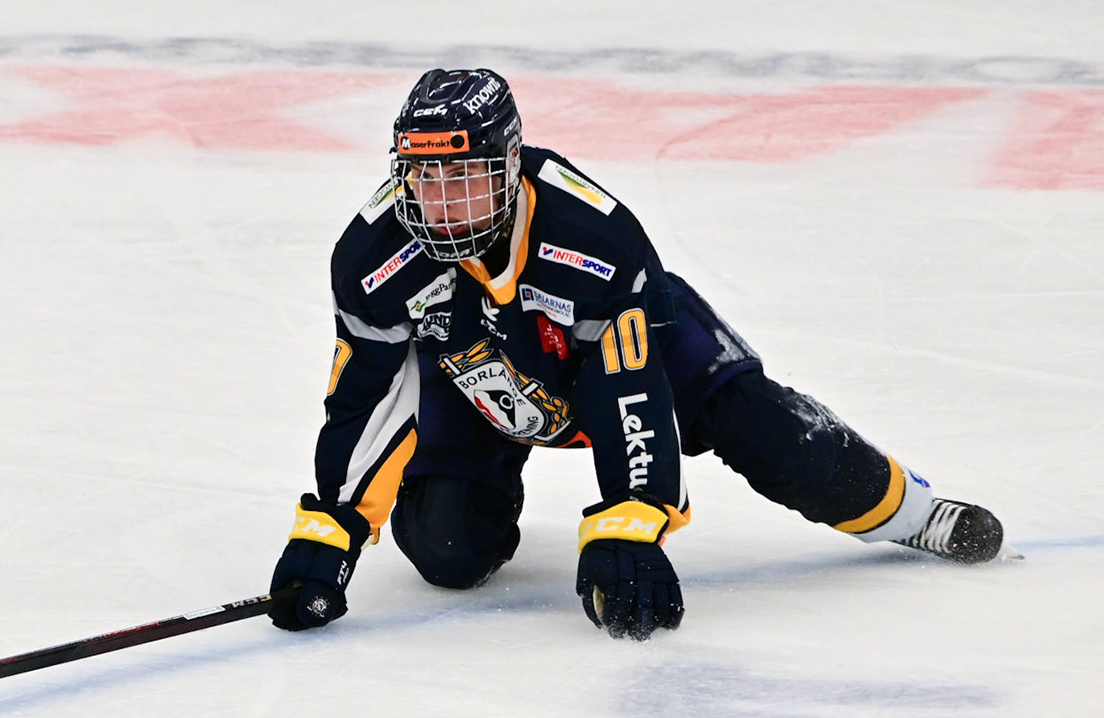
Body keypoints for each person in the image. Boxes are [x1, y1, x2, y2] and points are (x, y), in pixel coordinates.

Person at [268, 68, 1003, 640]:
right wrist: (332, 528)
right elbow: (367, 396)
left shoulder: (594, 237)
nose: (440, 203)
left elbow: (628, 386)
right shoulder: (372, 257)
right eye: (423, 178)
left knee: (773, 436)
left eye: (461, 177)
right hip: (482, 383)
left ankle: (914, 511)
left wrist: (629, 516)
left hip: (633, 355)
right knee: (447, 550)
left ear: (511, 164)